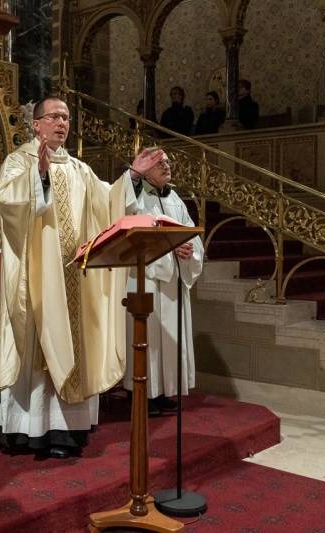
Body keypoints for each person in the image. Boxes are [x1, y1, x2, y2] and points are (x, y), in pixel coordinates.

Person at [0, 96, 165, 459]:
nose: (62, 123)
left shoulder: (78, 169)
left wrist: (133, 176)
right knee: (41, 345)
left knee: (73, 344)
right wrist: (38, 177)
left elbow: (109, 202)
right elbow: (8, 204)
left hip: (75, 277)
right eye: (54, 117)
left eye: (67, 118)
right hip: (38, 279)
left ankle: (67, 430)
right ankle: (28, 430)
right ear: (36, 124)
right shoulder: (18, 162)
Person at [122, 148, 204, 415]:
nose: (167, 166)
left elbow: (191, 233)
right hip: (145, 279)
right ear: (145, 169)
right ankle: (140, 394)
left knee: (168, 340)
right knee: (147, 338)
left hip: (172, 283)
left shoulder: (175, 198)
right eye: (160, 163)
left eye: (168, 162)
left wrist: (189, 249)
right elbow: (130, 234)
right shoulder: (136, 198)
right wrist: (170, 248)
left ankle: (162, 391)